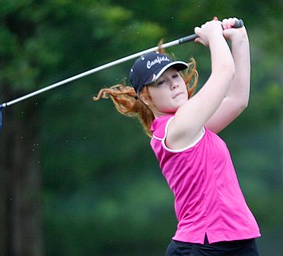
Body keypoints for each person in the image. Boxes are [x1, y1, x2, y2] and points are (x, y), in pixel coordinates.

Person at [94, 17, 260, 256]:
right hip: (204, 246)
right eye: (161, 82)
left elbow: (237, 100)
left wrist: (239, 40)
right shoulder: (177, 129)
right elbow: (224, 73)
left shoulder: (192, 126)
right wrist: (214, 35)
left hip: (234, 240)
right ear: (146, 98)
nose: (174, 84)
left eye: (175, 76)